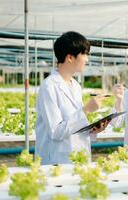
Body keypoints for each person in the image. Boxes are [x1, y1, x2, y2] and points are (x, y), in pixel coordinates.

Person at [35, 31, 109, 165]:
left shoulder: (75, 85)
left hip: (77, 156)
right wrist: (86, 110)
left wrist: (92, 131)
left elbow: (74, 123)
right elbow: (56, 132)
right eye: (84, 54)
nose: (87, 59)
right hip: (57, 160)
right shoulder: (49, 86)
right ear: (70, 57)